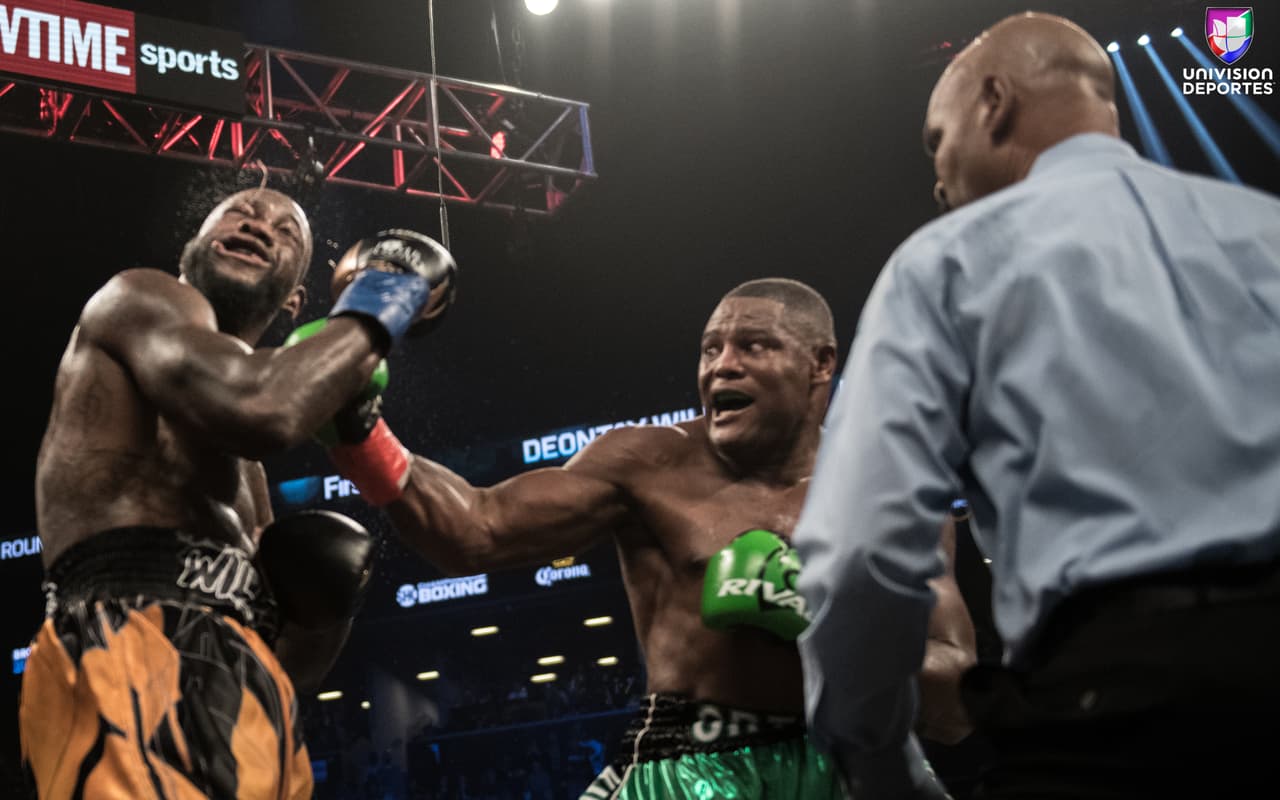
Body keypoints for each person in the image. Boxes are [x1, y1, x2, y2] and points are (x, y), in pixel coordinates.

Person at [792, 11, 1280, 799]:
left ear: (994, 101)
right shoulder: (1266, 230)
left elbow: (861, 550)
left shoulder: (947, 263)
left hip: (1113, 712)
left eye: (935, 140)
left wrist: (874, 755)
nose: (937, 176)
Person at [320, 277, 976, 799]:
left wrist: (830, 632)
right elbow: (477, 530)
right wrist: (359, 432)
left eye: (753, 346)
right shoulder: (648, 465)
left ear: (820, 363)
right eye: (711, 348)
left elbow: (953, 701)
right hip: (694, 768)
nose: (723, 367)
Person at [22, 187, 448, 799]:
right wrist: (385, 299)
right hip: (120, 640)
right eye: (241, 212)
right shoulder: (137, 299)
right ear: (190, 251)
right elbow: (262, 406)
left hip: (247, 697)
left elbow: (289, 665)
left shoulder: (247, 471)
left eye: (286, 232)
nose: (260, 225)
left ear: (296, 299)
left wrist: (327, 609)